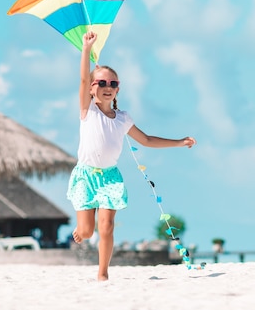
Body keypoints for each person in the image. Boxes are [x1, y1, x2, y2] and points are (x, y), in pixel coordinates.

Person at [67, 31, 197, 281]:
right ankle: (82, 230)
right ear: (93, 89)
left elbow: (147, 140)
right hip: (85, 176)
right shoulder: (88, 110)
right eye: (101, 83)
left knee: (106, 227)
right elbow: (83, 80)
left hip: (109, 178)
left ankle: (102, 273)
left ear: (118, 89)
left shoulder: (123, 118)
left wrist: (180, 142)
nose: (107, 87)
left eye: (113, 84)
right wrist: (86, 49)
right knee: (87, 232)